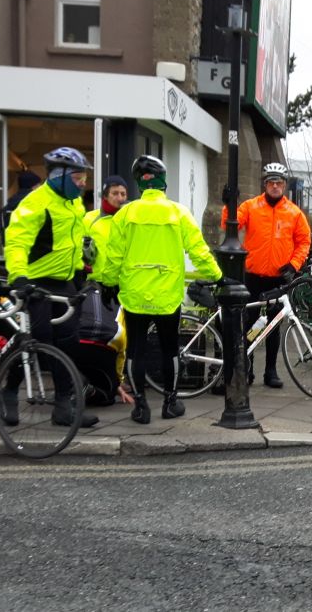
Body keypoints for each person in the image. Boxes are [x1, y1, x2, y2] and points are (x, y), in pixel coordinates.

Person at [100, 155, 222, 424]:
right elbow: (199, 250)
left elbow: (113, 256)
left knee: (136, 351)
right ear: (163, 182)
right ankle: (170, 402)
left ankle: (140, 407)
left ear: (138, 184)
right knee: (169, 350)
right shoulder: (178, 212)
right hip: (167, 295)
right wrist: (218, 276)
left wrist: (108, 282)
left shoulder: (125, 214)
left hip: (134, 295)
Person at [3, 147, 97, 428]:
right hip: (35, 282)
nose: (83, 184)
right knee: (38, 340)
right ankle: (8, 392)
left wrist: (84, 271)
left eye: (84, 179)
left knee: (69, 342)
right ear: (60, 175)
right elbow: (17, 241)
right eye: (79, 178)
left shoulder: (74, 205)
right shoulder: (35, 203)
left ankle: (63, 407)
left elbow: (77, 242)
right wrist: (19, 277)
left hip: (64, 281)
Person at [220, 161, 311, 390]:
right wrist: (228, 204)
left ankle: (271, 371)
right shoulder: (251, 206)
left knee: (273, 326)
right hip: (252, 276)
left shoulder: (294, 212)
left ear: (284, 185)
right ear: (265, 184)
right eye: (271, 182)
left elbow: (304, 241)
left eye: (279, 183)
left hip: (278, 278)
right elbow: (229, 224)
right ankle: (247, 369)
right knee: (249, 323)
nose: (275, 186)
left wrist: (294, 264)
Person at [84, 175, 129, 283]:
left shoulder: (130, 219)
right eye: (115, 193)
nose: (120, 198)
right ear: (105, 195)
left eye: (123, 194)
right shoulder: (89, 218)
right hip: (96, 280)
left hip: (124, 282)